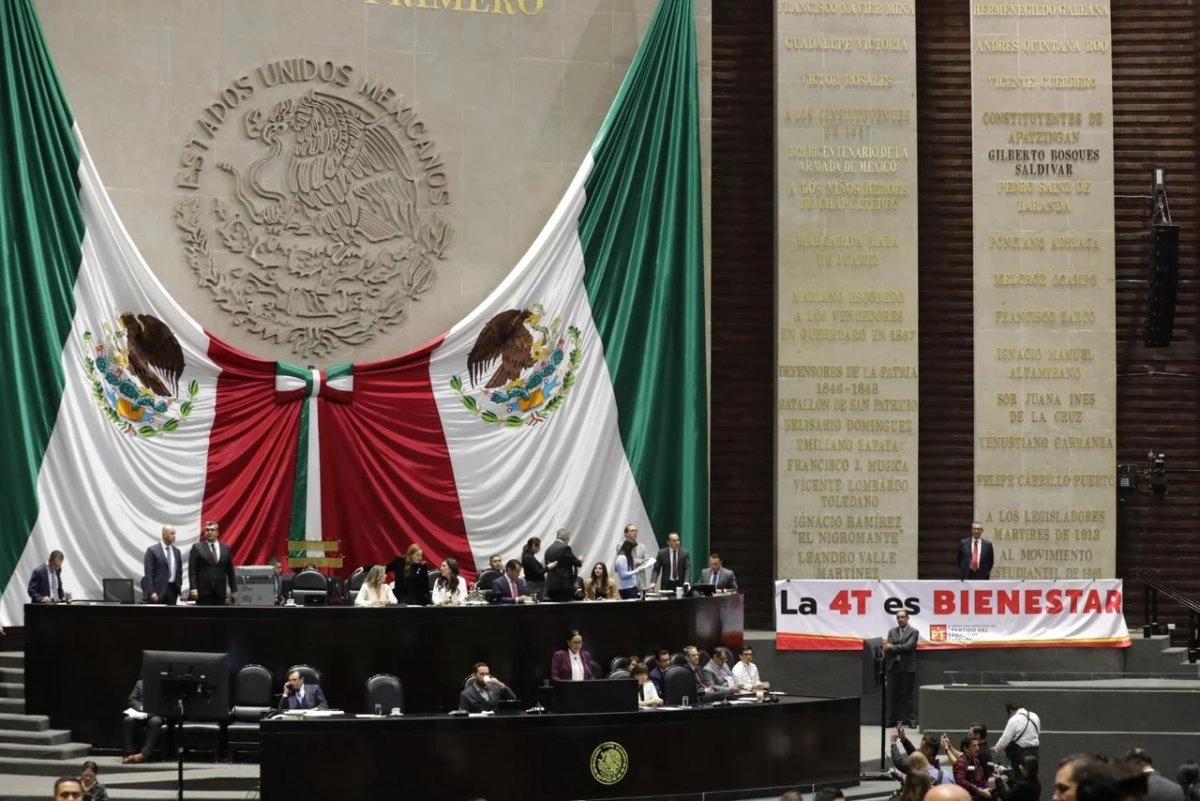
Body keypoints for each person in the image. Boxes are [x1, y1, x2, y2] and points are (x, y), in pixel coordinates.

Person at [187, 521, 237, 605]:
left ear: (217, 532)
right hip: (203, 592)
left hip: (220, 592)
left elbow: (230, 572)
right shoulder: (197, 547)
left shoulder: (225, 548)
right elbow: (192, 570)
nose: (209, 532)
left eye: (212, 530)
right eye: (207, 530)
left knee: (219, 616)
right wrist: (193, 588)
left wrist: (234, 590)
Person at [883, 609, 919, 727]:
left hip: (908, 668)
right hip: (893, 667)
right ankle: (890, 721)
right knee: (892, 695)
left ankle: (912, 721)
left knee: (908, 696)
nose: (900, 619)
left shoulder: (914, 632)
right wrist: (895, 647)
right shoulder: (891, 631)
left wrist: (892, 646)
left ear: (908, 618)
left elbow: (908, 647)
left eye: (903, 617)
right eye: (898, 617)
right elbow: (888, 648)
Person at [121, 679, 165, 764]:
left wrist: (151, 710)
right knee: (127, 720)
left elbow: (165, 702)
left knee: (155, 722)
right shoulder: (140, 683)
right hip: (140, 714)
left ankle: (144, 754)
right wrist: (141, 708)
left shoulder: (163, 684)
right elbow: (131, 699)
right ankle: (128, 753)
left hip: (156, 714)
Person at [142, 526, 182, 605]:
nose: (174, 536)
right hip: (157, 591)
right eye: (171, 533)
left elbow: (179, 571)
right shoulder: (152, 550)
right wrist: (151, 591)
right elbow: (148, 573)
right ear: (164, 534)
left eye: (175, 534)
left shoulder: (176, 551)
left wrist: (179, 585)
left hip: (172, 591)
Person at [994, 701, 1040, 767]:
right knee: (1032, 774)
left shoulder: (1014, 719)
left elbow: (1006, 738)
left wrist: (996, 748)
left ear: (1010, 710)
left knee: (1019, 775)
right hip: (1035, 751)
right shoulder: (1035, 716)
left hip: (1021, 753)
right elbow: (1037, 732)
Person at [543, 528, 582, 603]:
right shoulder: (565, 548)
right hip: (563, 586)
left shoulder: (548, 550)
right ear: (566, 538)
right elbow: (576, 563)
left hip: (550, 585)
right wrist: (580, 559)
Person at [615, 524, 649, 592]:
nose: (634, 532)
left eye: (636, 530)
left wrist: (643, 562)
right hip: (628, 581)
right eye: (632, 530)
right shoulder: (621, 546)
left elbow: (647, 561)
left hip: (640, 579)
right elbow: (628, 561)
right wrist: (641, 561)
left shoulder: (642, 546)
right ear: (626, 533)